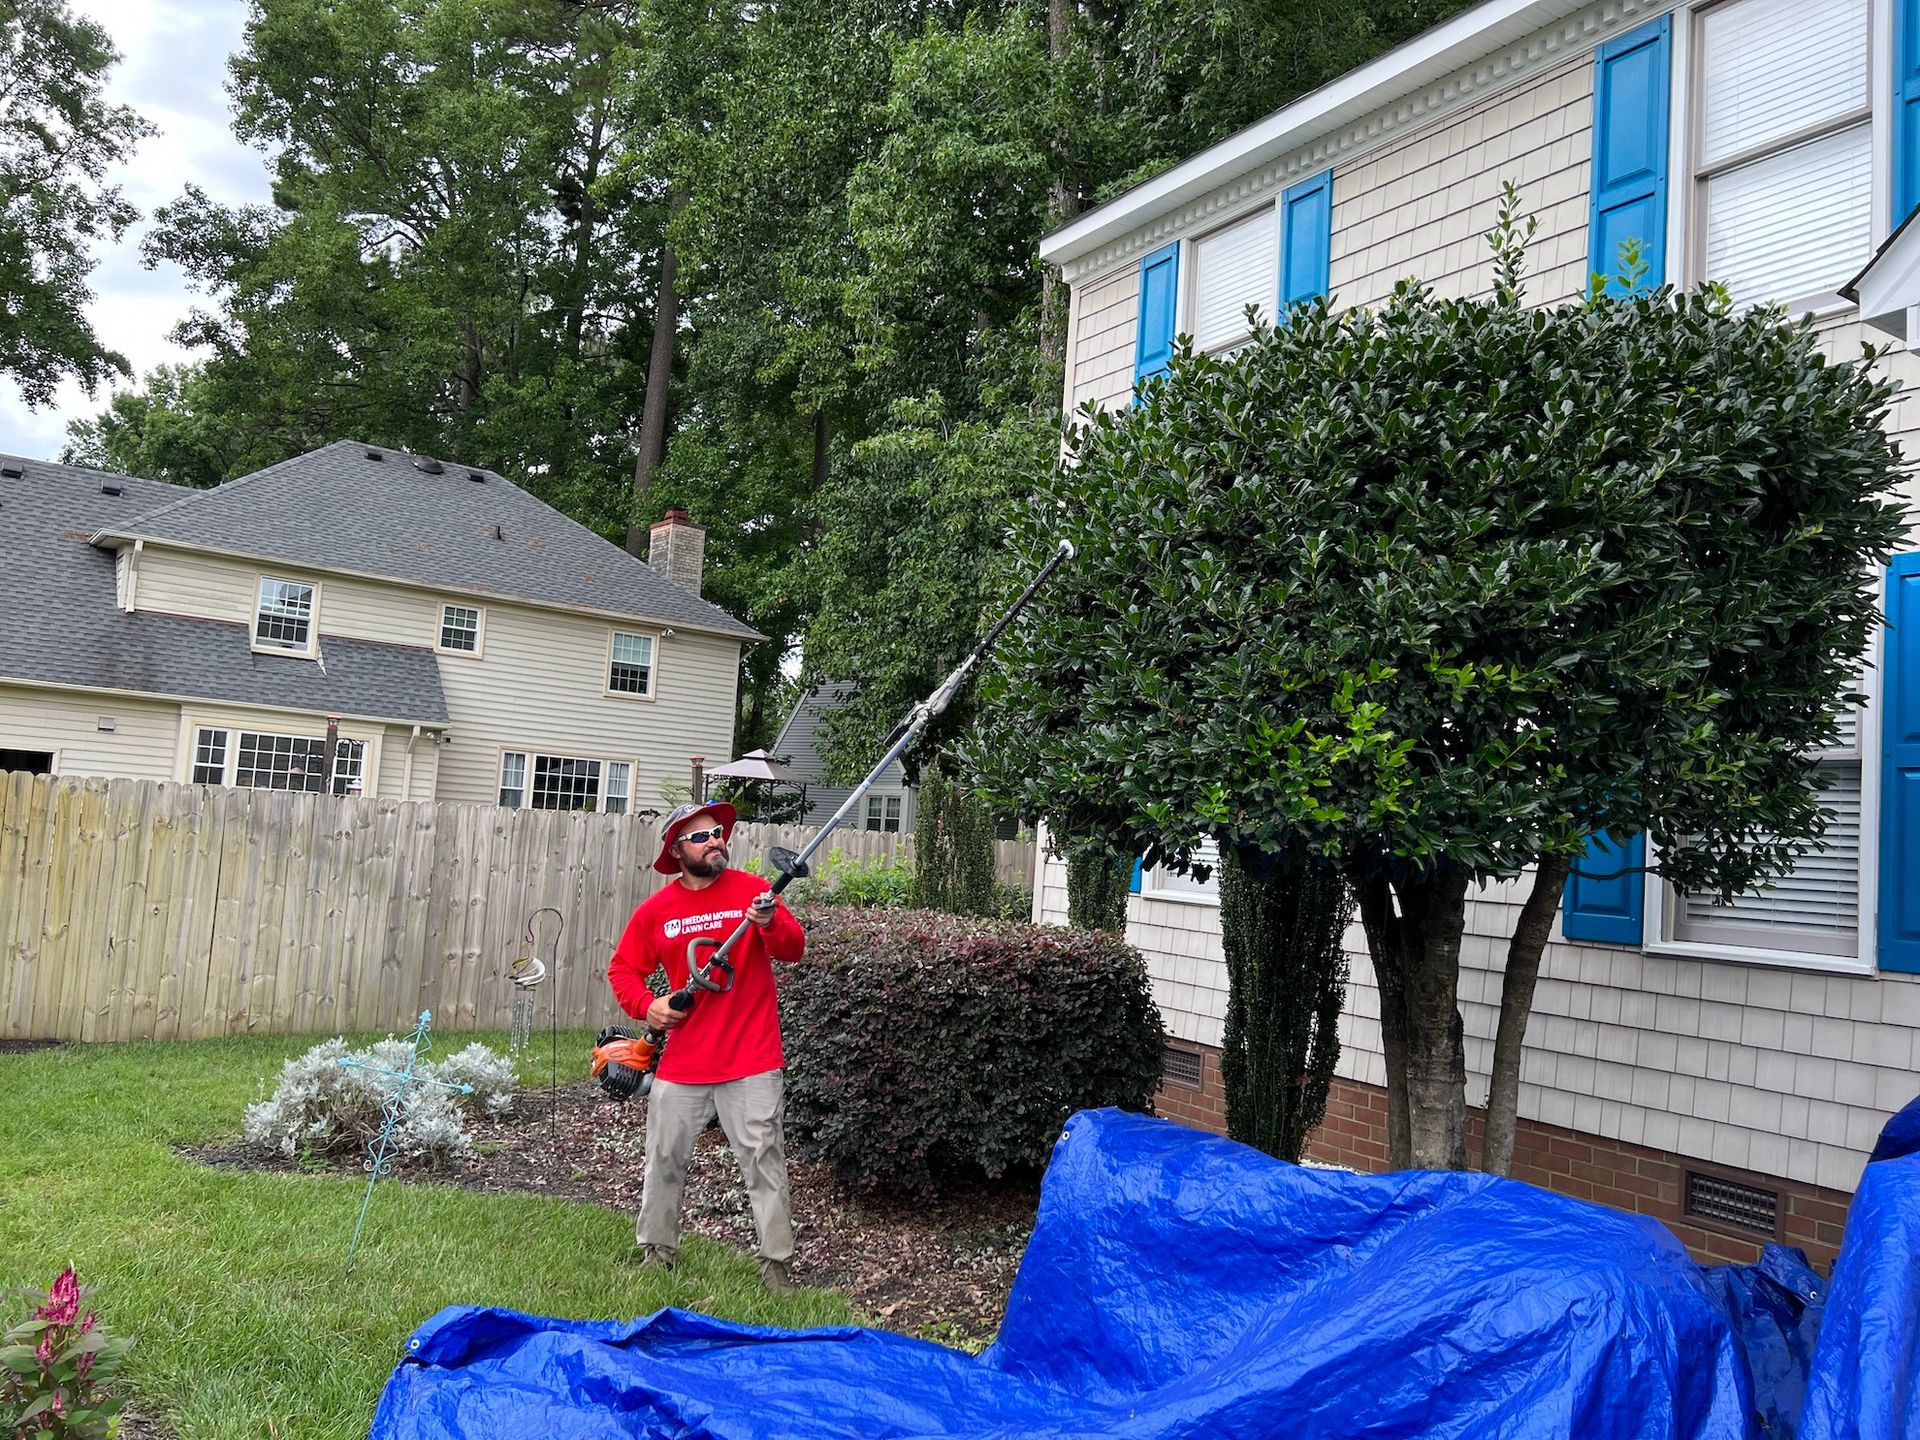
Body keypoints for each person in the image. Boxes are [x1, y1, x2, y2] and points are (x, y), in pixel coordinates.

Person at [607, 800, 807, 1295]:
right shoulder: (658, 910)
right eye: (701, 836)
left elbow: (793, 948)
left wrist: (768, 923)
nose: (715, 840)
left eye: (718, 832)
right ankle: (658, 1254)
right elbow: (622, 971)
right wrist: (649, 1006)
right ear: (677, 850)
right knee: (664, 1158)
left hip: (751, 1057)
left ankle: (776, 1268)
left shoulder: (754, 893)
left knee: (764, 1161)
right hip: (684, 1060)